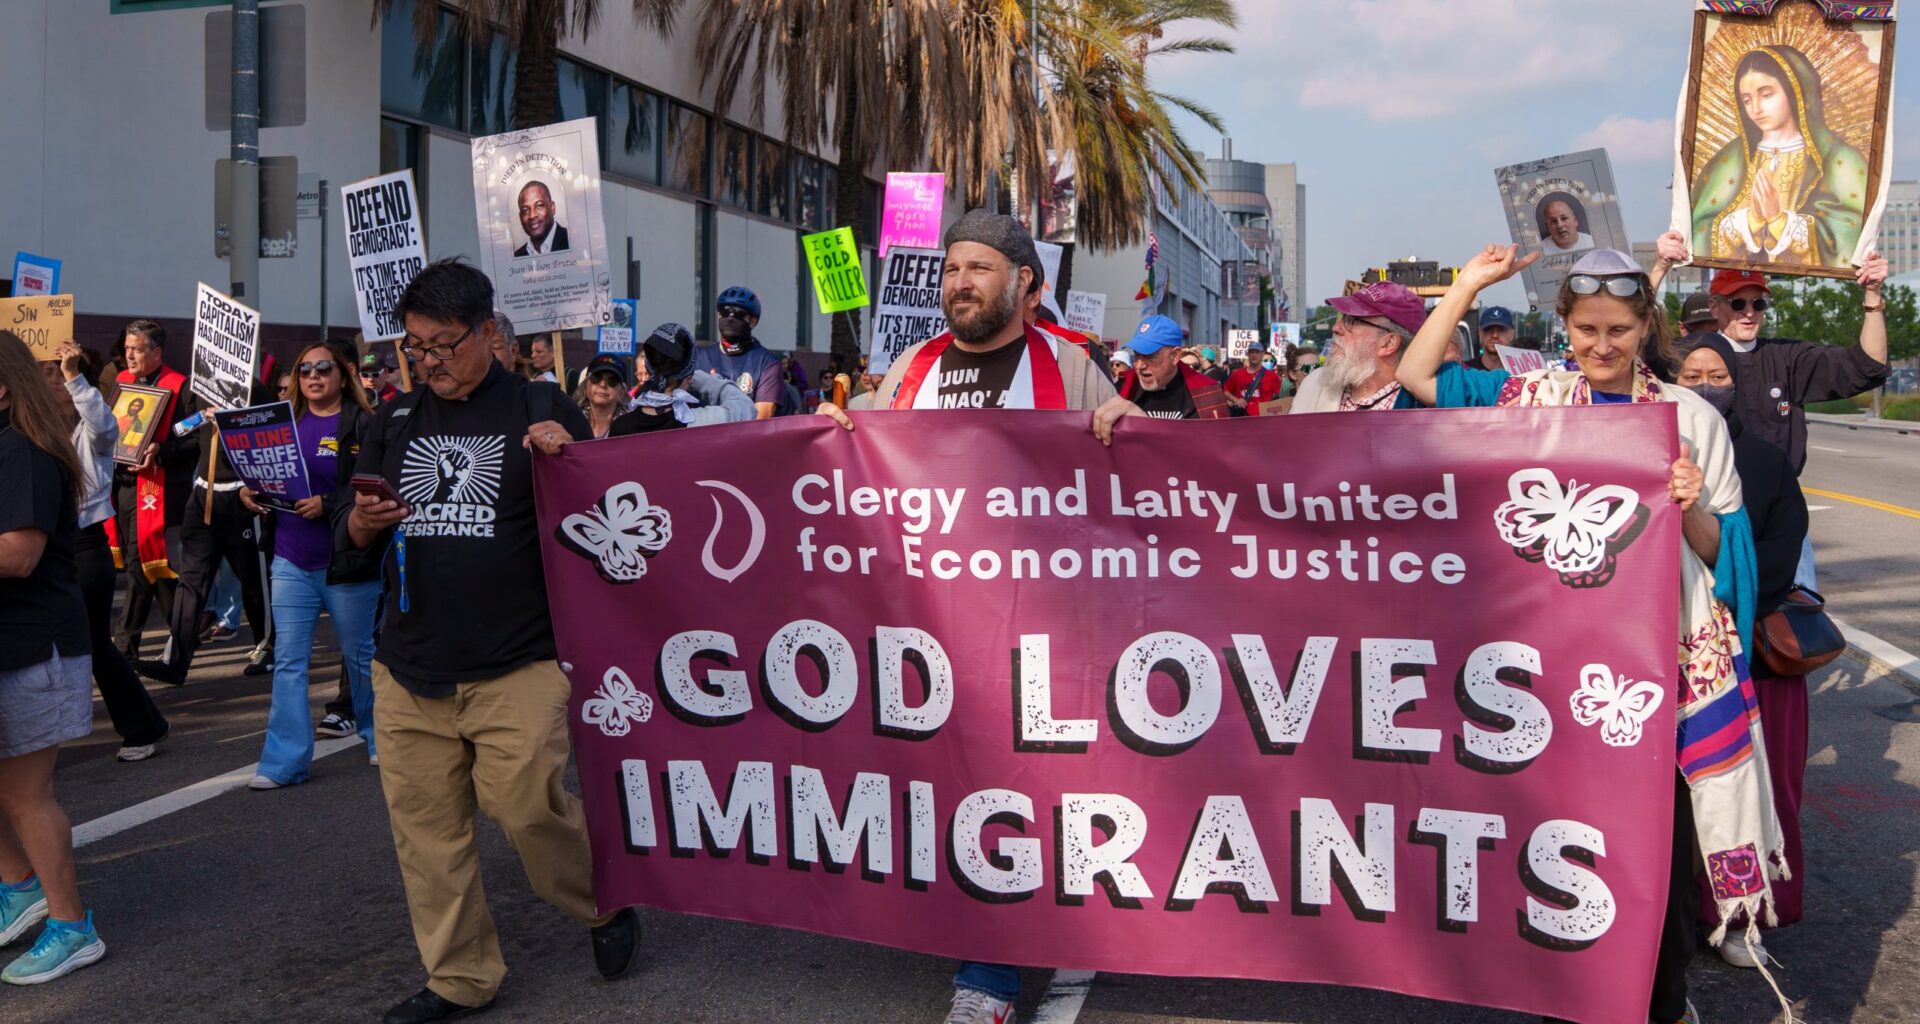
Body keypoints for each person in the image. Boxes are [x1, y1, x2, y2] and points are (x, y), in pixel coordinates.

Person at [1398, 245, 1786, 1024]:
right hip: (1553, 667)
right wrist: (1469, 284)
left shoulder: (1693, 418)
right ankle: (1566, 999)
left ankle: (1659, 999)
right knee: (1559, 841)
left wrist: (1692, 507)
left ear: (1646, 326)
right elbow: (1418, 379)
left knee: (1662, 854)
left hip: (1658, 672)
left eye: (1617, 328)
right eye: (1584, 329)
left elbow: (1729, 563)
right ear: (1564, 326)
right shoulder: (1534, 394)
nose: (1600, 346)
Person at [815, 209, 1135, 1024]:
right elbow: (860, 472)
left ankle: (991, 974)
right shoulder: (912, 371)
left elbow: (1143, 481)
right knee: (964, 790)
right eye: (953, 267)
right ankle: (985, 963)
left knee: (1026, 788)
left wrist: (1130, 431)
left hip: (1049, 625)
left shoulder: (1069, 365)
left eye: (980, 268)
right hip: (937, 625)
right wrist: (827, 437)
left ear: (1026, 284)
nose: (960, 282)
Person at [340, 259, 636, 1024]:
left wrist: (568, 459)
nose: (428, 361)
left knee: (528, 811)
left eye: (443, 344)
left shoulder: (540, 405)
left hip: (519, 663)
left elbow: (605, 523)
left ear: (490, 334)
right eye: (415, 346)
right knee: (428, 838)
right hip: (409, 671)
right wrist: (359, 523)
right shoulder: (395, 420)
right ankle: (460, 977)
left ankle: (603, 902)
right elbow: (355, 541)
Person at [1677, 334, 1811, 971]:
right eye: (1692, 372)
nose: (1705, 384)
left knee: (1752, 793)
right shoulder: (1641, 454)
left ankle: (1740, 917)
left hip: (1749, 657)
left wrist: (1723, 615)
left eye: (1718, 373)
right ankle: (1676, 922)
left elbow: (1777, 555)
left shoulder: (1762, 460)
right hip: (1667, 661)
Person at [0, 330, 107, 984]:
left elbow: (18, 554)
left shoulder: (23, 451)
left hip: (35, 645)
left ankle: (72, 927)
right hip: (13, 644)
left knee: (25, 794)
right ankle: (17, 889)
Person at [241, 341, 381, 790]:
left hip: (346, 563)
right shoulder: (282, 422)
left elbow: (377, 487)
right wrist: (249, 492)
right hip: (290, 558)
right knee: (288, 660)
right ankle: (283, 763)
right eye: (305, 369)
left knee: (361, 656)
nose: (314, 376)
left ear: (344, 375)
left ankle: (382, 737)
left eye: (324, 368)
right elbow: (263, 474)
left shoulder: (363, 424)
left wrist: (331, 502)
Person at [43, 343, 168, 763]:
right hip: (40, 546)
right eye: (42, 375)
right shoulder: (29, 430)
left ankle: (142, 727)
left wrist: (72, 374)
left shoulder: (93, 433)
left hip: (83, 547)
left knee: (93, 641)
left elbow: (105, 425)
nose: (50, 384)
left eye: (56, 376)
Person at [134, 370, 274, 687]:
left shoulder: (254, 389)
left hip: (241, 496)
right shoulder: (201, 388)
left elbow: (269, 434)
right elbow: (188, 435)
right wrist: (166, 449)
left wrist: (234, 421)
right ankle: (175, 660)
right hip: (203, 494)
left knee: (253, 579)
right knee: (191, 583)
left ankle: (267, 646)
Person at [1691, 45, 1869, 268]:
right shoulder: (1729, 160)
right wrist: (1750, 221)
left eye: (1766, 95)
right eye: (1746, 100)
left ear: (1795, 93)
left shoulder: (1840, 159)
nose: (1756, 108)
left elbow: (1851, 229)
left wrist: (1779, 221)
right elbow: (1699, 227)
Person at [110, 320, 195, 660]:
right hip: (124, 484)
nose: (128, 355)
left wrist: (162, 450)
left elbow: (193, 440)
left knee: (138, 562)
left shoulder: (179, 386)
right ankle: (185, 629)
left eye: (137, 349)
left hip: (159, 487)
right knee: (151, 566)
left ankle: (124, 646)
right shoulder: (120, 382)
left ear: (157, 352)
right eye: (127, 348)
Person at [1289, 281, 1428, 413]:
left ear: (1388, 343)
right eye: (1343, 317)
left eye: (1352, 320)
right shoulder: (1314, 384)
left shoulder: (1424, 404)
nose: (1336, 327)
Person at [602, 323, 758, 435]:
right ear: (689, 377)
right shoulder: (700, 423)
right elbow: (745, 407)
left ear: (648, 368)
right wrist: (700, 377)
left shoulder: (620, 427)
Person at [1115, 316, 1229, 420]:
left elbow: (1217, 440)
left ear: (1175, 356)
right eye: (1137, 355)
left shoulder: (1208, 395)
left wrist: (1144, 423)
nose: (1139, 366)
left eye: (1149, 356)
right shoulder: (1123, 386)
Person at [695, 286, 784, 418]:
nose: (730, 318)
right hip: (703, 436)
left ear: (753, 321)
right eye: (725, 313)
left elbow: (762, 416)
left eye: (739, 314)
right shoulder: (698, 357)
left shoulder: (767, 363)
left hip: (745, 437)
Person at [575, 354, 632, 439]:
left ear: (622, 392)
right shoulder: (572, 420)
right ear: (585, 387)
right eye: (596, 377)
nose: (603, 384)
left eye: (612, 380)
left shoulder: (631, 426)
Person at [511, 181, 570, 257]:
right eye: (525, 210)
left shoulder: (572, 241)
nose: (532, 215)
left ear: (552, 207)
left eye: (539, 205)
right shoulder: (517, 256)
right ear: (520, 217)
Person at [1224, 343, 1283, 416]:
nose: (1254, 355)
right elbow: (1226, 391)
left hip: (1264, 419)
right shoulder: (1237, 374)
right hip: (1242, 419)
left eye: (1257, 352)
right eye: (1251, 352)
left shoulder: (1272, 376)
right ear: (1248, 354)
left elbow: (1281, 397)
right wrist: (1236, 400)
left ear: (1262, 354)